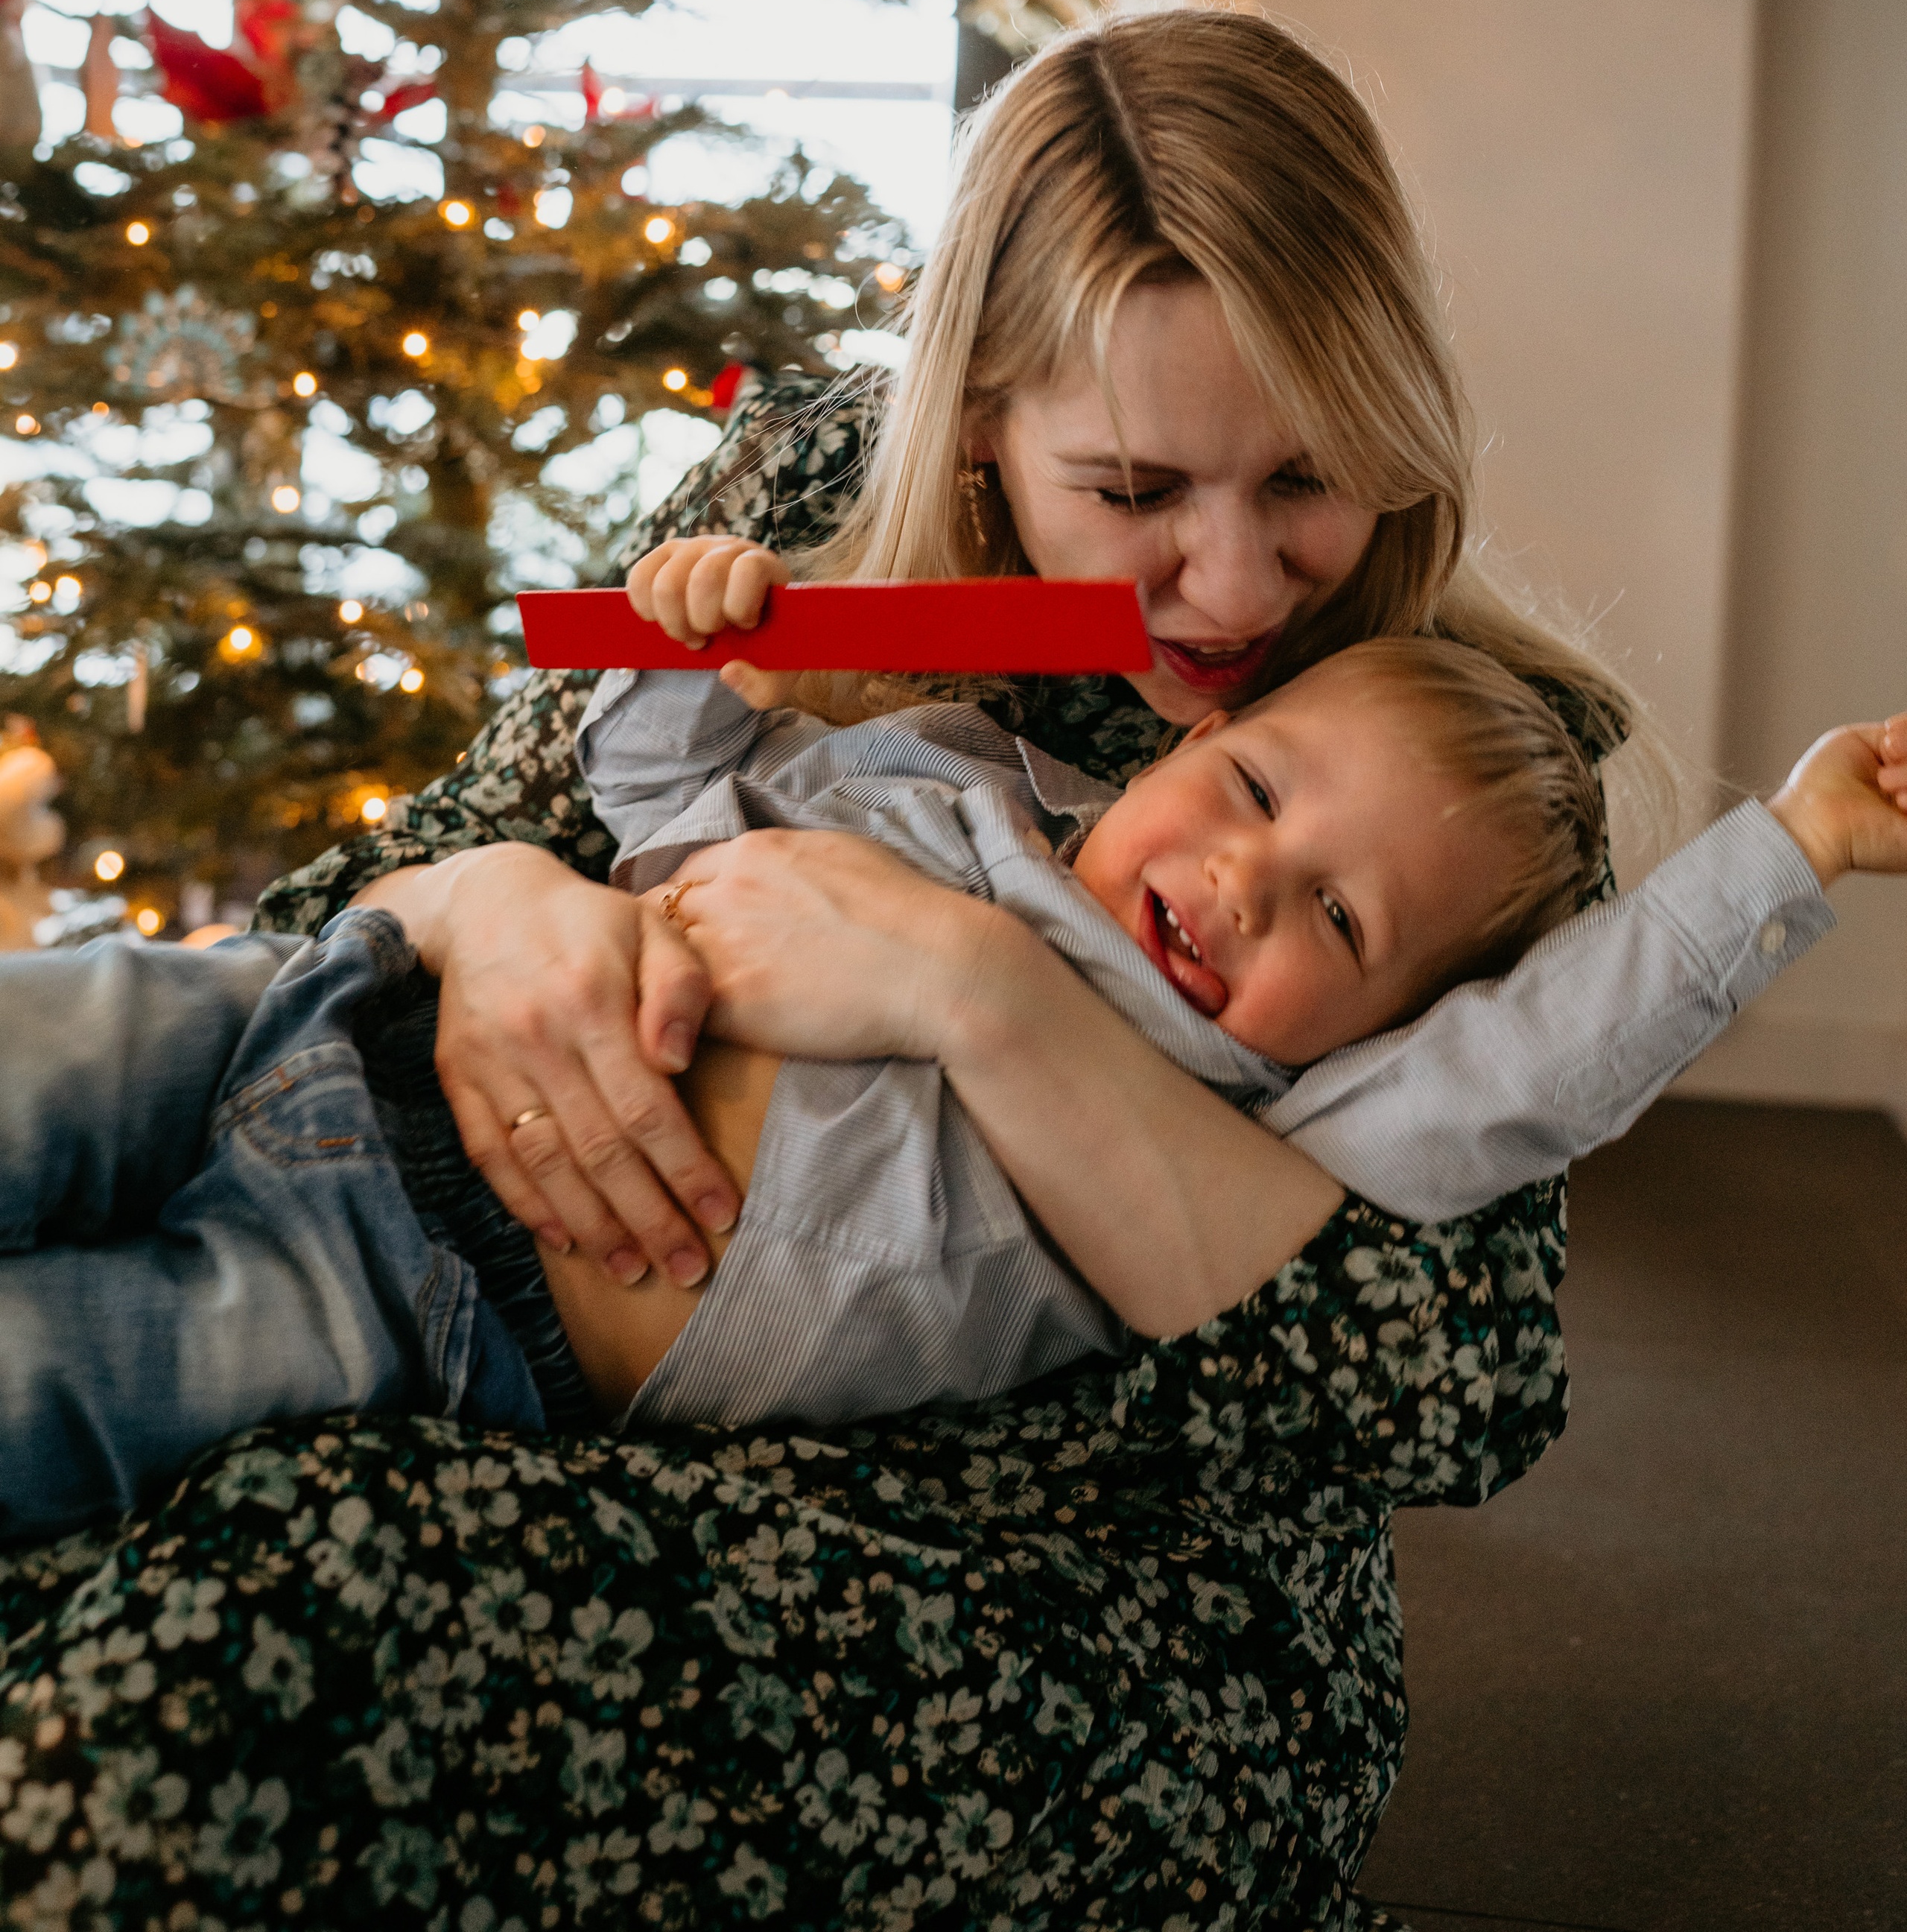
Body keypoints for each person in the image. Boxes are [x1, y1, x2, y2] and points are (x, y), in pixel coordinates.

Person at [0, 7, 1846, 1927]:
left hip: (1070, 1563)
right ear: (978, 422)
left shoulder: (1446, 751)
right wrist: (487, 895)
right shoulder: (814, 493)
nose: (1226, 588)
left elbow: (1434, 1388)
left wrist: (980, 990)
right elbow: (414, 859)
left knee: (258, 1596)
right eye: (1133, 495)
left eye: (1308, 476)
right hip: (460, 1222)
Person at [13, 637, 1890, 1542]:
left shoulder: (1250, 1115)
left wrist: (1788, 846)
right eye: (1251, 796)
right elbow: (660, 786)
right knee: (43, 1047)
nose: (1243, 879)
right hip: (336, 1010)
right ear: (1200, 734)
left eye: (1334, 912)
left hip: (431, 1314)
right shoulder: (944, 778)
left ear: (1381, 1036)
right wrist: (695, 636)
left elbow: (1550, 1055)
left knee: (62, 1384)